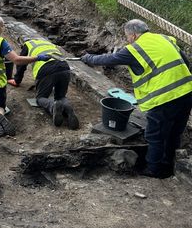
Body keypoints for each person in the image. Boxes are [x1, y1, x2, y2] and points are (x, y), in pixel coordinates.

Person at [81, 19, 192, 178]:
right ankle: (169, 165)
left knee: (155, 135)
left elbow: (109, 60)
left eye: (127, 37)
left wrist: (89, 58)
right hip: (187, 92)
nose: (127, 40)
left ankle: (154, 169)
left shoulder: (135, 49)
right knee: (174, 132)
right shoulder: (165, 38)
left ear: (133, 35)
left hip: (164, 98)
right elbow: (185, 61)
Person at [7, 38, 79, 129]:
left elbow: (21, 64)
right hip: (64, 67)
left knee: (41, 98)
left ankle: (53, 106)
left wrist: (17, 80)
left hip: (46, 69)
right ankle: (69, 110)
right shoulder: (47, 43)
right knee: (60, 96)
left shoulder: (28, 45)